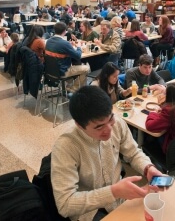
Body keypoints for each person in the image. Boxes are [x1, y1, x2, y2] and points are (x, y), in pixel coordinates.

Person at [51, 86, 162, 221]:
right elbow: (65, 204)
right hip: (89, 211)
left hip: (120, 200)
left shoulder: (118, 123)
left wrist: (148, 168)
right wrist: (113, 192)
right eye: (99, 126)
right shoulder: (66, 146)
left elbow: (133, 153)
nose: (109, 129)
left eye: (110, 119)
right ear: (79, 125)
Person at [45, 22, 90, 92]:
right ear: (64, 31)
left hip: (50, 71)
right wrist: (78, 47)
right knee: (86, 68)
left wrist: (69, 45)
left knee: (73, 65)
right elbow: (78, 56)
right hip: (62, 71)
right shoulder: (64, 43)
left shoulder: (48, 41)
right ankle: (74, 88)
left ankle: (68, 85)